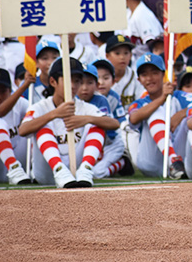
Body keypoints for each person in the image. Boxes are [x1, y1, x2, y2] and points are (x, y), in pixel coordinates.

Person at [18, 57, 119, 187]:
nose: (73, 85)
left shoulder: (84, 106)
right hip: (47, 171)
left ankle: (86, 169)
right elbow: (23, 130)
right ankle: (59, 170)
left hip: (75, 170)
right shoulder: (40, 106)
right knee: (42, 125)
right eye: (67, 80)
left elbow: (114, 124)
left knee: (97, 123)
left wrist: (87, 119)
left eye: (77, 81)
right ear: (53, 82)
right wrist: (54, 114)